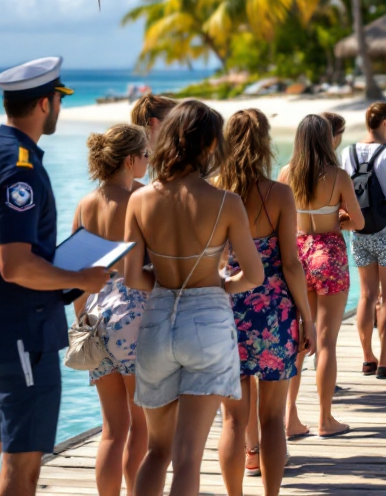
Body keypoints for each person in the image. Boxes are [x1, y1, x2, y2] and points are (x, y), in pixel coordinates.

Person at [0, 57, 109, 496]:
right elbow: (15, 265)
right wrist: (82, 278)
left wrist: (65, 272)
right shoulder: (21, 168)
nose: (59, 107)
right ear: (43, 103)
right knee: (22, 471)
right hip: (20, 337)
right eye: (58, 99)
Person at [123, 99, 264, 496]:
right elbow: (253, 275)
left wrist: (168, 288)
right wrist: (220, 286)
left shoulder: (141, 199)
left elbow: (133, 276)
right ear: (208, 146)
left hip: (157, 321)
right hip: (207, 321)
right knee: (188, 459)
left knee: (157, 451)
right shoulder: (226, 202)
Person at [216, 109, 317, 496]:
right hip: (274, 310)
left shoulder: (214, 190)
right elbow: (291, 264)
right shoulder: (278, 194)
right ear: (263, 143)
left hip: (226, 309)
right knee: (272, 418)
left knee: (232, 422)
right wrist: (307, 318)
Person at [73, 124, 152, 496]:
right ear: (129, 160)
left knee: (111, 429)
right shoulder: (141, 198)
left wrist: (80, 321)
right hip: (132, 314)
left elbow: (74, 271)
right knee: (141, 425)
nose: (149, 162)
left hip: (94, 314)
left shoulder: (86, 203)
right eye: (146, 156)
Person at [281, 115, 364, 439]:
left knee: (300, 341)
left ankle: (290, 418)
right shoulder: (338, 176)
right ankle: (325, 419)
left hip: (297, 256)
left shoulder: (286, 174)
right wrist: (337, 220)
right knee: (327, 341)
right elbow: (358, 221)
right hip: (328, 255)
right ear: (327, 139)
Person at [340, 102, 386, 379]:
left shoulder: (347, 152)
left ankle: (367, 358)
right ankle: (384, 361)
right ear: (385, 123)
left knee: (367, 295)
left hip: (359, 231)